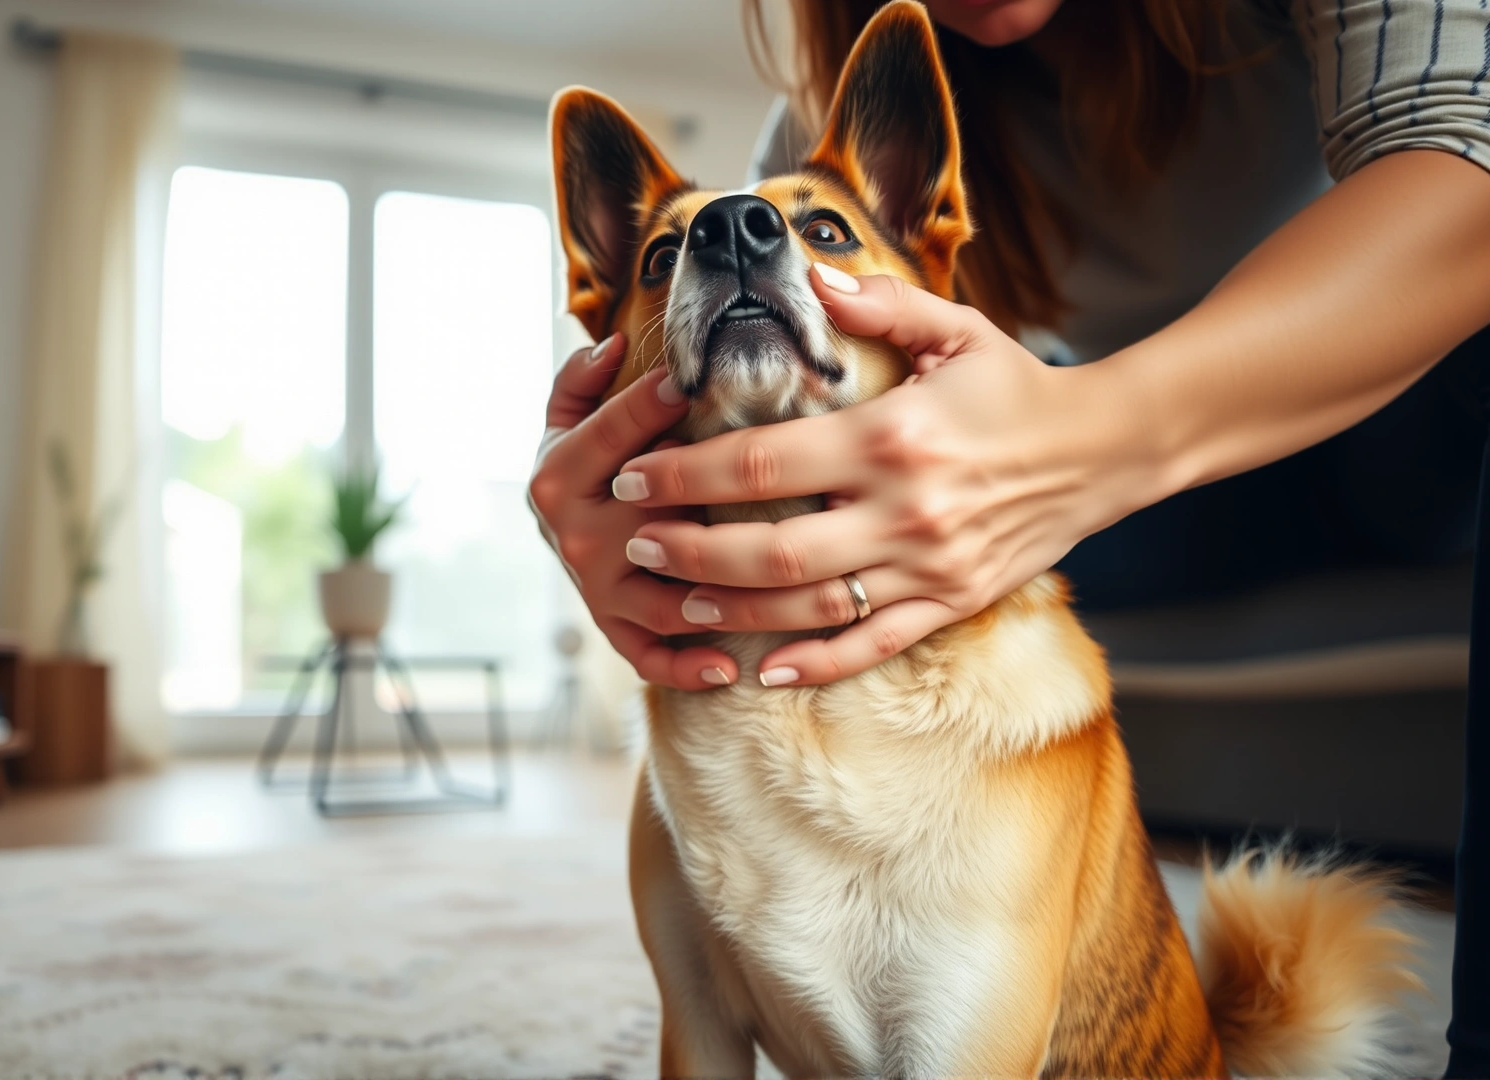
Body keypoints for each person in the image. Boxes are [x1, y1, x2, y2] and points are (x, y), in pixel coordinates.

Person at [527, 0, 1490, 1072]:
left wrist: (1081, 440)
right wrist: (621, 516)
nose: (747, 236)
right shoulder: (812, 146)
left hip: (1409, 431)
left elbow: (1470, 150)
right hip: (1152, 500)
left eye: (820, 232)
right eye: (680, 247)